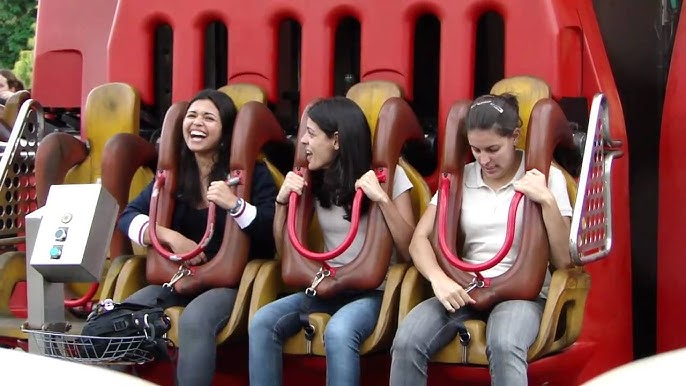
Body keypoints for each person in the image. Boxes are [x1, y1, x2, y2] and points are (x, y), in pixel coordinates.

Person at [390, 94, 573, 386]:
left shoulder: (547, 176)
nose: (484, 159)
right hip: (465, 286)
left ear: (515, 137)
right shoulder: (462, 177)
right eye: (476, 150)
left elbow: (564, 259)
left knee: (504, 343)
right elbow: (418, 240)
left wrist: (547, 201)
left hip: (521, 295)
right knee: (407, 340)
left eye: (493, 149)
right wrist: (438, 279)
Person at [248, 96, 416, 386]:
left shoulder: (390, 176)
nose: (302, 142)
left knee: (339, 330)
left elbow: (409, 249)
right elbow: (284, 248)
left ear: (336, 140)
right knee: (263, 322)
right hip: (325, 287)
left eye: (311, 134)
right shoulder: (315, 179)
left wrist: (381, 199)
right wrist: (281, 203)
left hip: (374, 292)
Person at [117, 89, 277, 386]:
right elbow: (127, 217)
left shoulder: (254, 174)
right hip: (179, 278)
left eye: (208, 118)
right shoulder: (175, 173)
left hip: (232, 284)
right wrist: (169, 236)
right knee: (125, 315)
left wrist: (235, 205)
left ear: (227, 130)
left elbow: (270, 233)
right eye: (191, 116)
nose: (196, 123)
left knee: (195, 319)